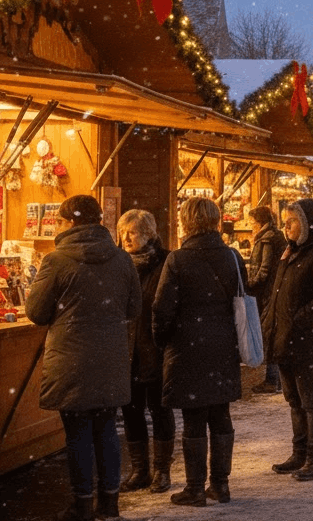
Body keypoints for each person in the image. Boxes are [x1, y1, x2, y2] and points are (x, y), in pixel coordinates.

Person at [25, 195, 140, 521]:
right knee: (106, 430)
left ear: (71, 222)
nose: (57, 226)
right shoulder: (122, 260)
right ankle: (109, 503)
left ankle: (82, 504)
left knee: (77, 434)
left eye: (60, 220)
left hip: (71, 362)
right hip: (110, 360)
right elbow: (134, 309)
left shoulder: (56, 261)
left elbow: (36, 312)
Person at [153, 197, 245, 506]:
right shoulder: (232, 257)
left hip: (187, 347)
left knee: (194, 418)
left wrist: (162, 341)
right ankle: (220, 485)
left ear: (188, 222)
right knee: (221, 414)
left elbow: (162, 310)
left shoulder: (178, 260)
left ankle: (195, 487)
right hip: (223, 345)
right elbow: (241, 299)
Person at [262, 198, 313, 481]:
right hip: (286, 340)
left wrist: (299, 319)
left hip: (310, 343)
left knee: (312, 401)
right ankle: (299, 454)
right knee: (294, 400)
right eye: (285, 221)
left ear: (309, 224)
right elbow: (278, 295)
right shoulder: (291, 253)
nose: (287, 226)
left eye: (293, 221)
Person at [117, 210, 176, 494]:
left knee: (160, 409)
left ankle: (162, 470)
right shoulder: (118, 265)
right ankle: (139, 469)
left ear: (150, 234)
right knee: (131, 410)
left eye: (133, 232)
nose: (126, 238)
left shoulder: (166, 263)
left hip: (156, 348)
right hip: (125, 350)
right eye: (123, 232)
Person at [247, 206, 288, 393]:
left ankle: (273, 380)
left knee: (270, 334)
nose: (251, 226)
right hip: (273, 290)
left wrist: (249, 285)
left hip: (267, 293)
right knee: (273, 333)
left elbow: (264, 270)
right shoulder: (273, 236)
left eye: (253, 222)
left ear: (261, 222)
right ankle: (277, 379)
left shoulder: (268, 240)